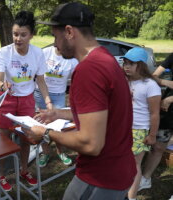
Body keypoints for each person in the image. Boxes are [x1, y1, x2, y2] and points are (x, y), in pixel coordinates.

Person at [24, 2, 137, 200]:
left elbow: (91, 144)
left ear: (68, 32)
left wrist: (45, 134)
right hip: (119, 170)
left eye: (55, 36)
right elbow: (101, 113)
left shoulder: (89, 70)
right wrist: (58, 113)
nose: (55, 44)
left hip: (99, 178)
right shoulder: (106, 59)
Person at [0, 11, 52, 191]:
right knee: (3, 140)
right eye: (15, 34)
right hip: (8, 101)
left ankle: (24, 170)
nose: (18, 38)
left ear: (31, 35)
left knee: (26, 138)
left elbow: (40, 80)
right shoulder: (4, 52)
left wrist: (48, 102)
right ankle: (1, 174)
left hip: (27, 100)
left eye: (23, 34)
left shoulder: (37, 53)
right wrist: (3, 86)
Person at [121, 47, 161, 200]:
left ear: (142, 65)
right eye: (125, 63)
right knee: (122, 162)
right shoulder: (125, 81)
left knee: (134, 165)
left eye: (131, 63)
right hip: (122, 128)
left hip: (139, 130)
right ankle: (121, 190)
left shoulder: (150, 85)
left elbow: (154, 113)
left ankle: (131, 197)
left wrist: (152, 135)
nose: (127, 66)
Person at [34, 46, 78, 167]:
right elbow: (38, 76)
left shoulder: (72, 59)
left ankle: (60, 152)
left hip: (59, 95)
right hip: (40, 94)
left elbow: (76, 80)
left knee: (59, 126)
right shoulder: (45, 53)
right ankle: (46, 152)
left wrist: (71, 97)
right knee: (42, 124)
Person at [139, 53, 173, 191]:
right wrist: (166, 82)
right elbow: (153, 77)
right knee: (158, 146)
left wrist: (170, 99)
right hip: (167, 111)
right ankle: (145, 178)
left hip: (168, 103)